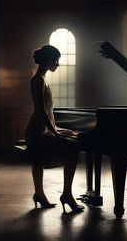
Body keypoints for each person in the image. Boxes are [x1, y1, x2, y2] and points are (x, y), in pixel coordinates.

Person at [25, 45, 84, 213]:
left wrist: (57, 128)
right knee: (72, 150)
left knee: (70, 141)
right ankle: (66, 195)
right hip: (36, 132)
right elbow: (40, 111)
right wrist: (54, 132)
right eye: (56, 60)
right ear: (47, 60)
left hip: (43, 129)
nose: (57, 64)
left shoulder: (43, 79)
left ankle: (40, 194)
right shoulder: (38, 80)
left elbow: (49, 114)